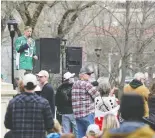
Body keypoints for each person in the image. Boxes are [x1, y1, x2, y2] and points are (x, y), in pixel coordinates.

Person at [4, 73, 54, 138]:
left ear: (23, 85)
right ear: (35, 85)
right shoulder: (44, 103)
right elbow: (50, 125)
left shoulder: (13, 102)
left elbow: (7, 124)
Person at [72, 67, 100, 138]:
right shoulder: (87, 84)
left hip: (77, 115)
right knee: (92, 135)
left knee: (81, 136)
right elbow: (98, 97)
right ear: (82, 75)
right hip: (87, 114)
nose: (89, 75)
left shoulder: (74, 84)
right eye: (88, 74)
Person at [56, 72, 78, 137]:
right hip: (72, 111)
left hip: (64, 112)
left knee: (66, 131)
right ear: (69, 79)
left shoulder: (60, 88)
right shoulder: (74, 87)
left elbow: (57, 101)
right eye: (72, 77)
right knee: (76, 129)